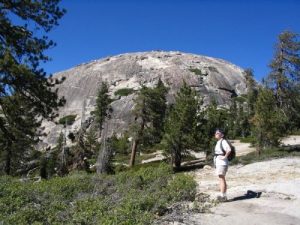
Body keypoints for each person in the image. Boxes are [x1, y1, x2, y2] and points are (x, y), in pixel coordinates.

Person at [214, 129, 231, 202]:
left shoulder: (223, 141)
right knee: (221, 178)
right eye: (216, 133)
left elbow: (229, 149)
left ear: (222, 135)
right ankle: (223, 195)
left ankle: (223, 195)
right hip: (219, 162)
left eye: (218, 133)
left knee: (221, 178)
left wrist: (225, 157)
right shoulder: (219, 142)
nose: (216, 134)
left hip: (222, 163)